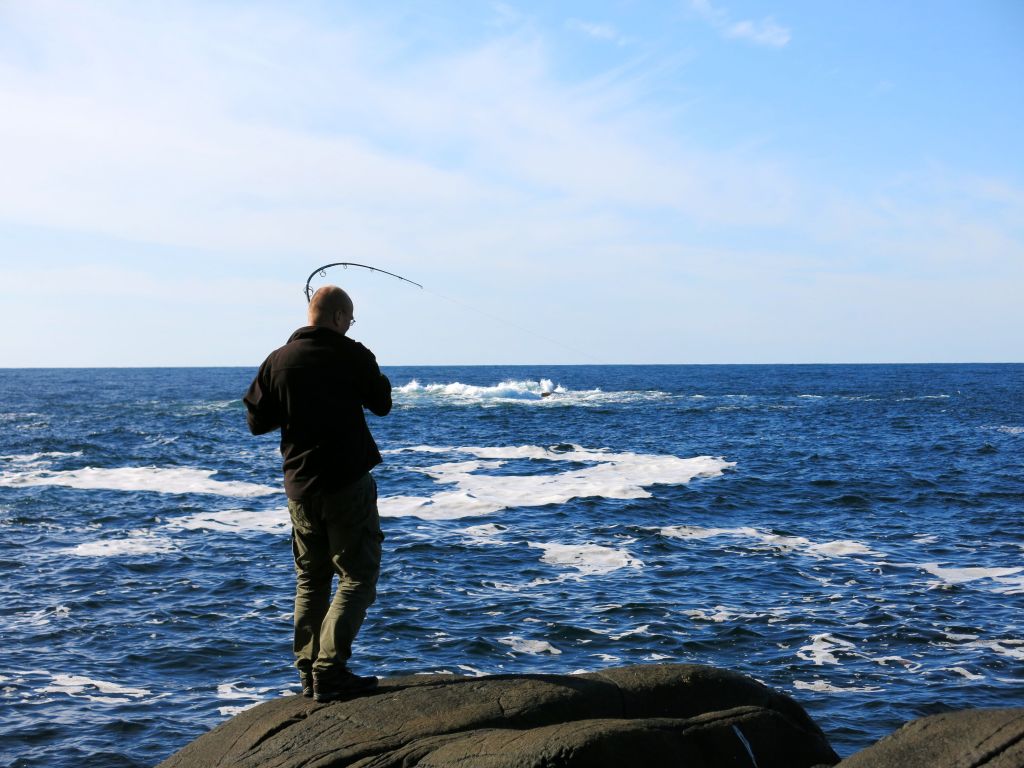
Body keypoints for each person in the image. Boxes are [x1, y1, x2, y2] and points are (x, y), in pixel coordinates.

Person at [243, 285, 392, 702]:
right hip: (345, 483)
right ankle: (329, 669)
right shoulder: (351, 353)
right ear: (339, 317)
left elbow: (256, 421)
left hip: (299, 487)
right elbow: (382, 403)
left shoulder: (278, 360)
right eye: (350, 320)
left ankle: (308, 673)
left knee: (311, 579)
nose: (350, 326)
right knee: (357, 576)